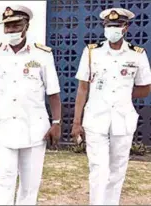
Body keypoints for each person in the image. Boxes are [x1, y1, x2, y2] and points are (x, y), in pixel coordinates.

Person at [0, 5, 62, 205]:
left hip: (34, 128)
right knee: (4, 177)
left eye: (16, 25)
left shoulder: (42, 54)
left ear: (26, 26)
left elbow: (53, 92)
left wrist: (56, 122)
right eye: (7, 26)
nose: (11, 30)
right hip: (4, 125)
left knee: (30, 182)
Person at [71, 8, 151, 205]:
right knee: (98, 168)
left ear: (126, 27)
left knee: (117, 170)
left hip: (123, 119)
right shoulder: (91, 52)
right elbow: (82, 89)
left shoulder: (137, 55)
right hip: (95, 118)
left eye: (117, 26)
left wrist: (124, 94)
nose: (112, 29)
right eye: (109, 26)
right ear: (104, 27)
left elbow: (145, 88)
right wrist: (76, 121)